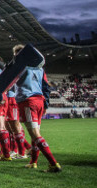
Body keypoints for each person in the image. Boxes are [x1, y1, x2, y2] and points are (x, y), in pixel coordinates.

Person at [13, 44, 62, 173]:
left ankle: (53, 164)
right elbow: (46, 86)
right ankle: (33, 162)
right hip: (39, 101)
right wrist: (45, 104)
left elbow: (7, 81)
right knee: (35, 134)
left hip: (28, 101)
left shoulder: (19, 67)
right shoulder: (40, 69)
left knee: (35, 134)